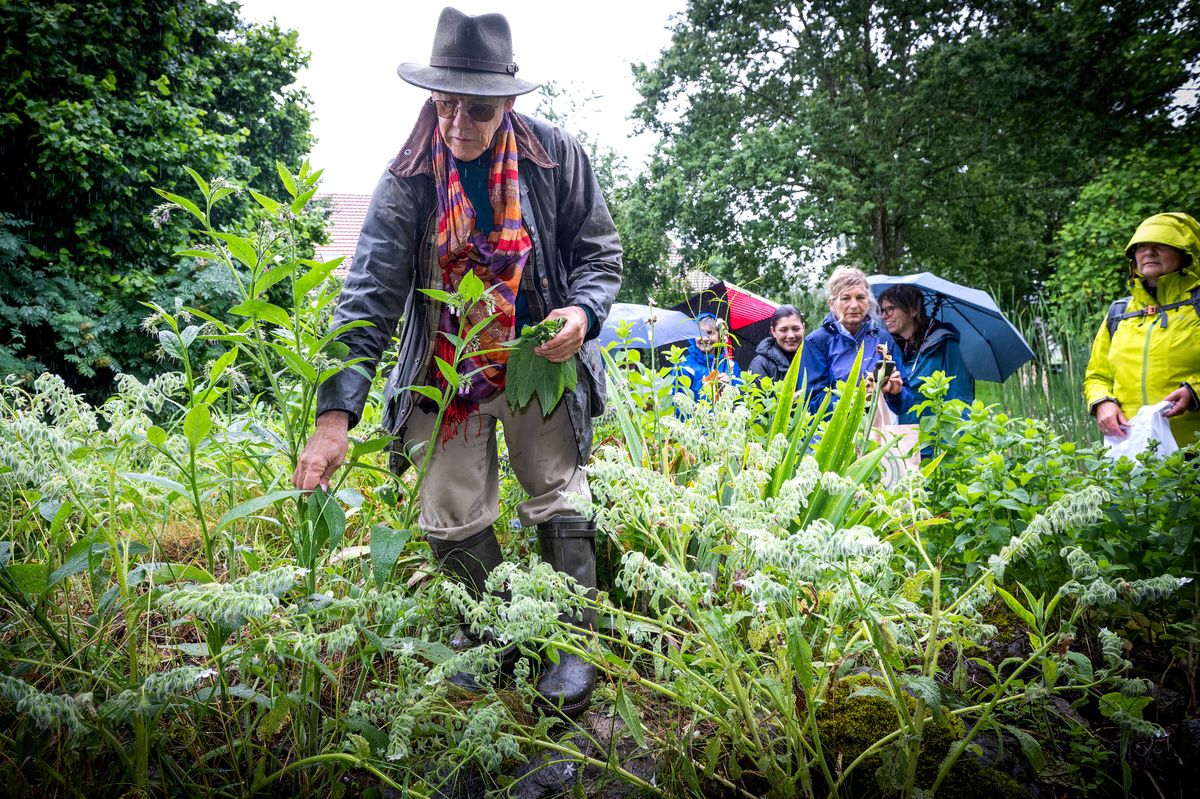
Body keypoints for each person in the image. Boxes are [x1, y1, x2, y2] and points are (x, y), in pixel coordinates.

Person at [291, 8, 622, 720]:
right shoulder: (408, 177)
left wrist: (583, 312)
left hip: (538, 357)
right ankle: (500, 631)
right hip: (447, 365)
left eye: (477, 109)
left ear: (507, 103)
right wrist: (334, 413)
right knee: (448, 509)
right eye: (446, 105)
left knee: (558, 492)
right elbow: (368, 296)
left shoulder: (556, 157)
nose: (458, 124)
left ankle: (572, 639)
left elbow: (601, 253)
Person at [1083, 212, 1200, 446]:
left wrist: (1194, 391)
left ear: (1185, 254)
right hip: (1132, 451)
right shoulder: (1119, 313)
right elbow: (1097, 376)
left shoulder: (1197, 307)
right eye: (1141, 246)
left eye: (1162, 245)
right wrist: (1101, 402)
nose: (1149, 252)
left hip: (1193, 453)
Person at [799, 266, 910, 416]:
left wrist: (895, 392)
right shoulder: (818, 342)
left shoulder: (883, 339)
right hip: (833, 435)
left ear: (869, 301)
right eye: (845, 298)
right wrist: (858, 398)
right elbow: (811, 402)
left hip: (876, 433)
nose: (854, 305)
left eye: (860, 297)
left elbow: (905, 405)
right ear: (832, 303)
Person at [878, 284, 974, 423]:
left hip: (934, 435)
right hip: (900, 435)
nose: (884, 316)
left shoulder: (943, 344)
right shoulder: (890, 347)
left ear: (912, 311)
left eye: (891, 309)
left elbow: (959, 394)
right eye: (882, 310)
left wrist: (954, 438)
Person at [671, 312, 742, 406]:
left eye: (710, 333)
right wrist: (704, 386)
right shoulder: (683, 366)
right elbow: (678, 405)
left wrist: (730, 385)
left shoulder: (730, 366)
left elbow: (741, 398)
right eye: (699, 333)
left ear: (720, 336)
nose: (704, 338)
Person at [747, 305, 805, 381]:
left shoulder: (814, 356)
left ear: (803, 328)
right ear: (773, 331)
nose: (791, 335)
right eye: (783, 330)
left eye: (796, 329)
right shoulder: (761, 364)